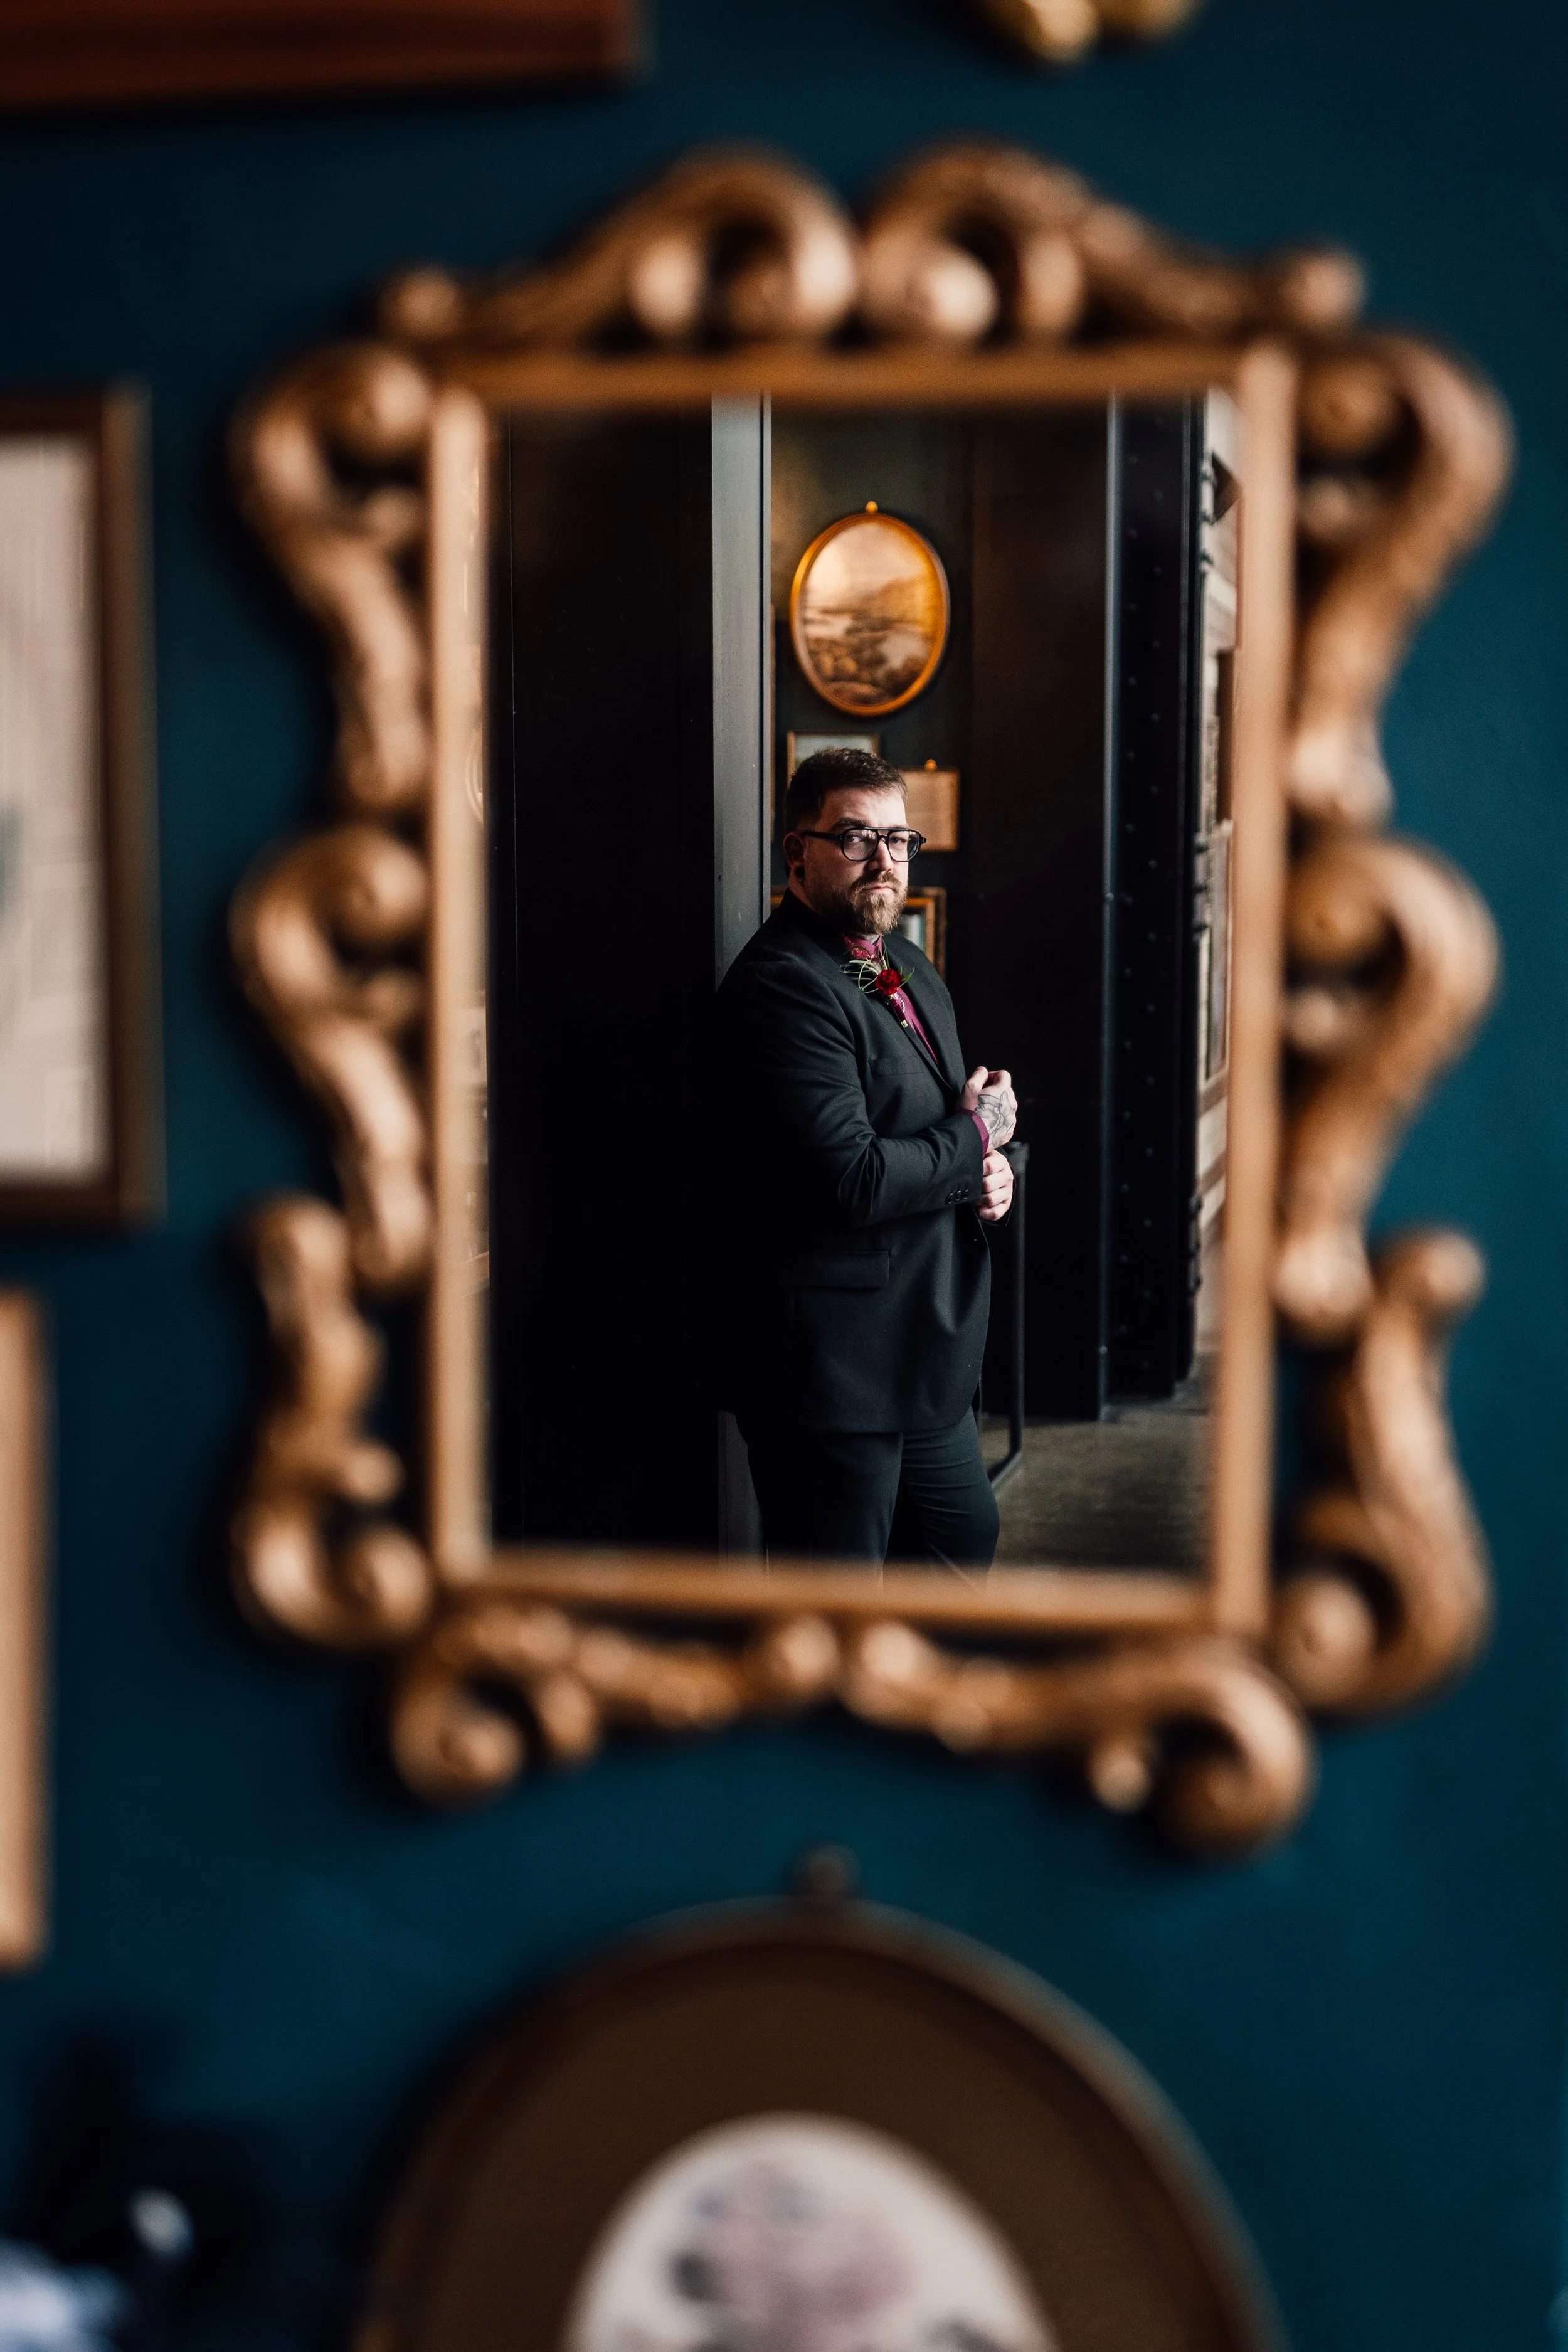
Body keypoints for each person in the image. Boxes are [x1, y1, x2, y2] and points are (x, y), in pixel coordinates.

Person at [712, 746, 1017, 1569]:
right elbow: (851, 1178)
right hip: (833, 1369)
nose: (884, 859)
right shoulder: (782, 986)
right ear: (796, 852)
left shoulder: (908, 964)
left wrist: (988, 1176)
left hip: (923, 1354)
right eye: (855, 837)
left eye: (898, 838)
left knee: (962, 1540)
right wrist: (981, 1135)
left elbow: (943, 1126)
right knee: (832, 1601)